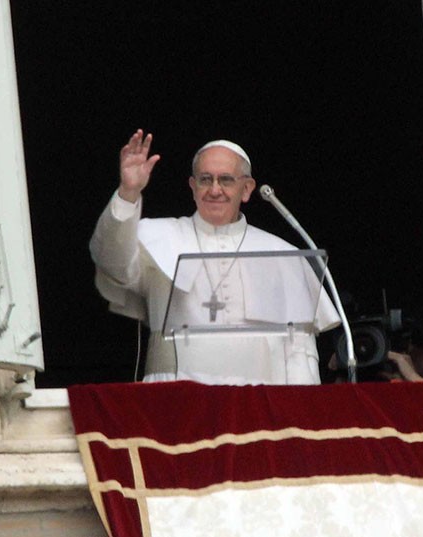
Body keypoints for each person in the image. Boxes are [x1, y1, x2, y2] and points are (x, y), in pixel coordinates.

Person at [90, 129, 340, 385]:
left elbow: (299, 351)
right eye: (205, 179)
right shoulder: (158, 236)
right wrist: (128, 193)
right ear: (192, 186)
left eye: (226, 180)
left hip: (260, 405)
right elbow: (113, 264)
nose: (215, 189)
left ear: (247, 189)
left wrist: (298, 412)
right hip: (176, 401)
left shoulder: (284, 255)